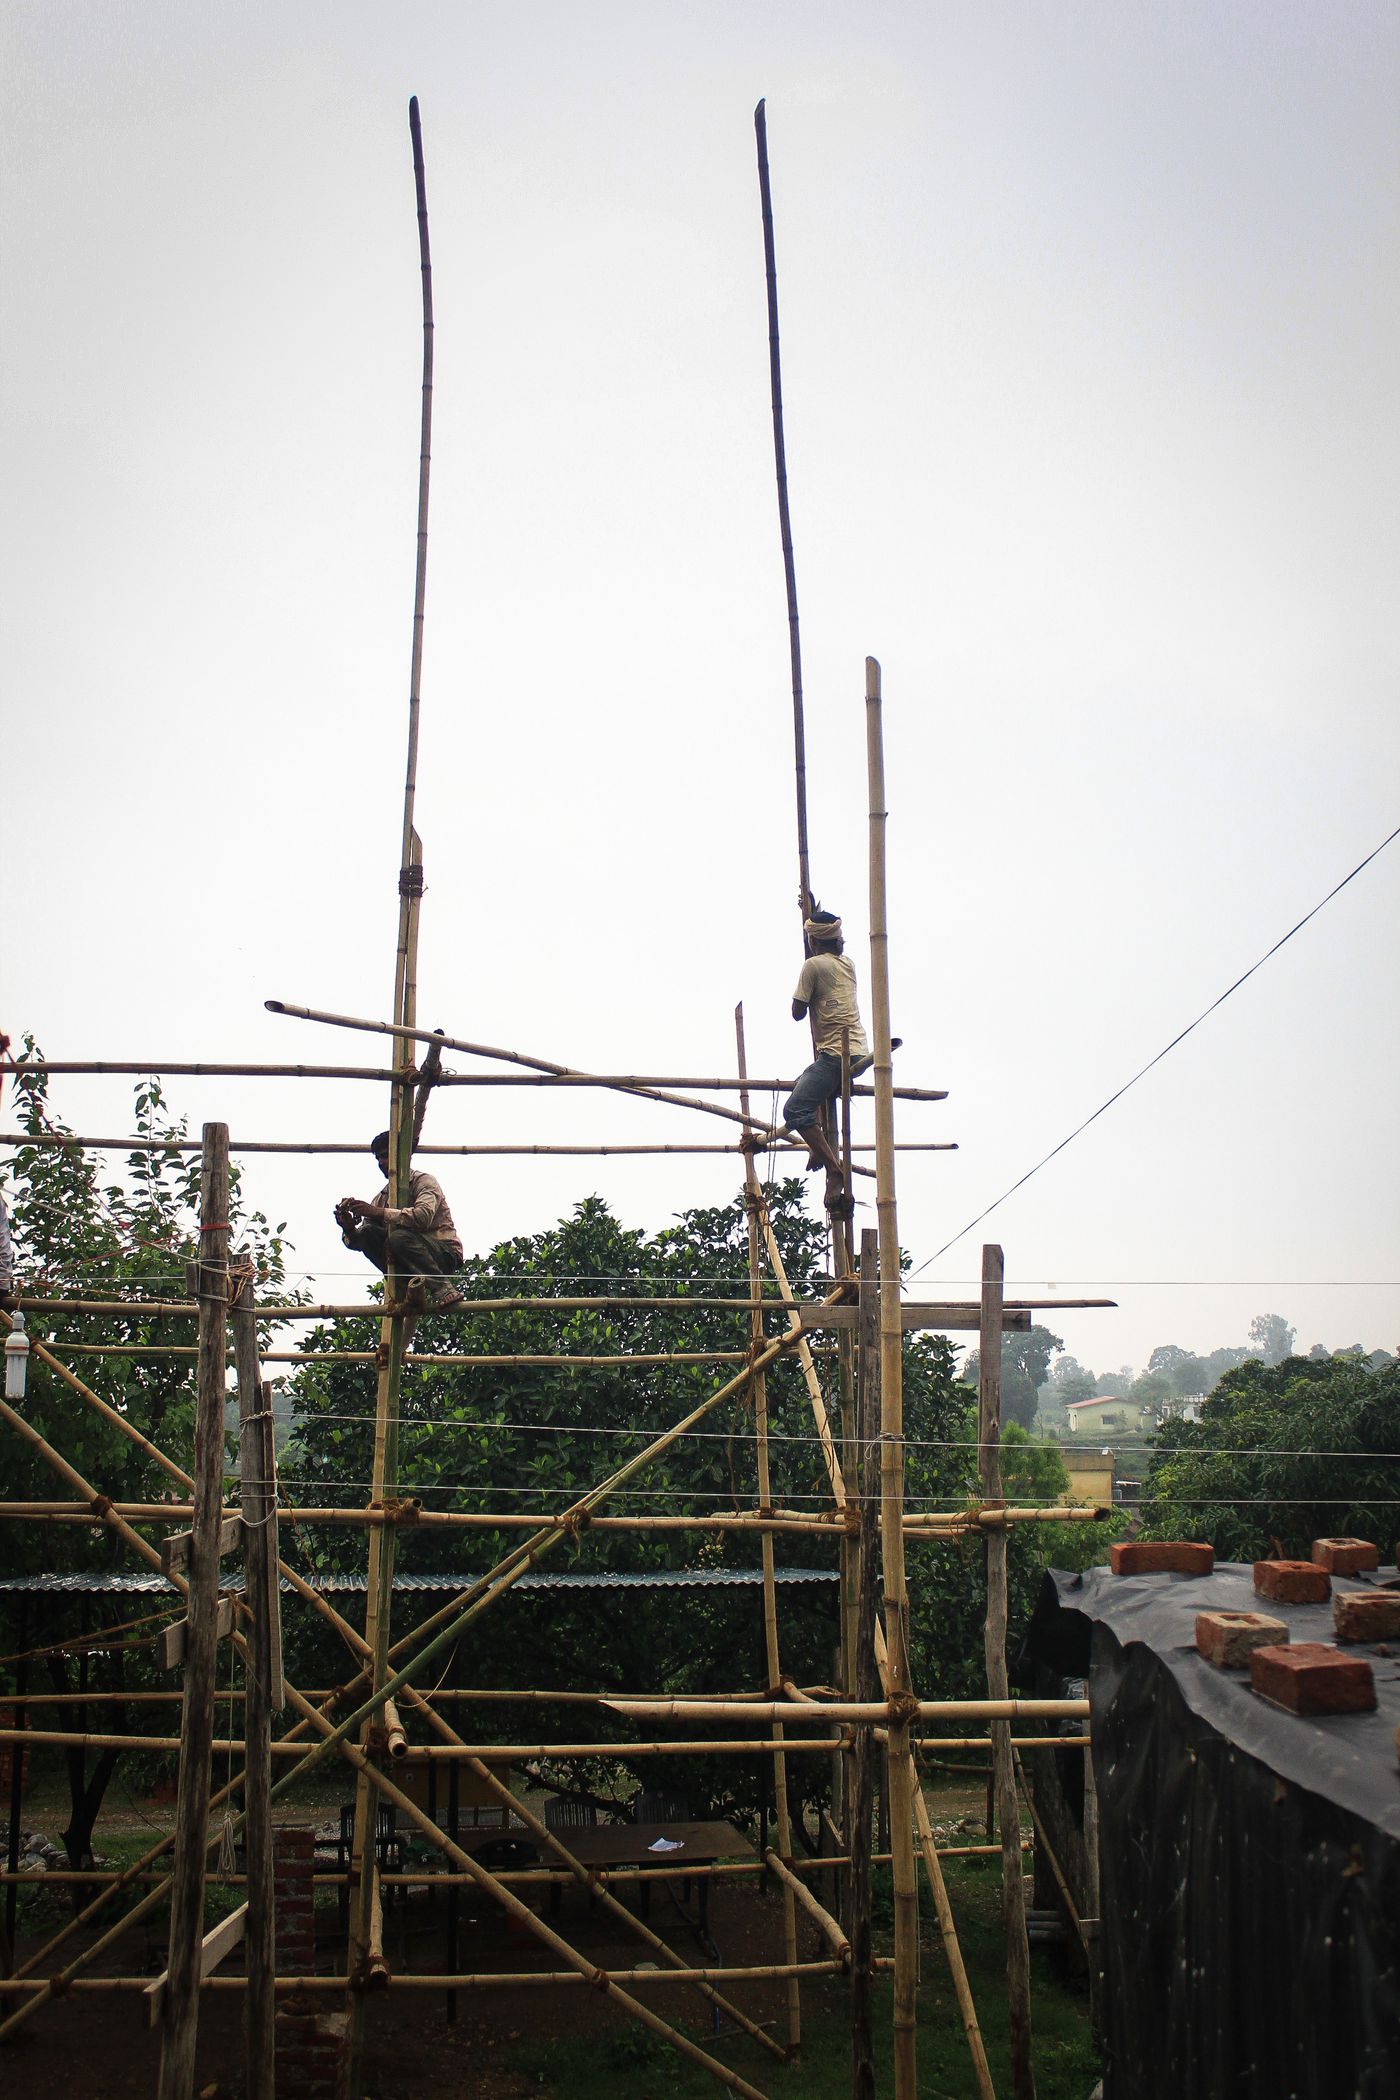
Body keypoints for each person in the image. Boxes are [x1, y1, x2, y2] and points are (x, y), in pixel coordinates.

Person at [781, 908, 873, 1176]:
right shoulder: (848, 964)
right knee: (805, 1082)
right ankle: (817, 1146)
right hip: (857, 1050)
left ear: (813, 941)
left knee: (795, 1109)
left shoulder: (812, 966)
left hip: (835, 1055)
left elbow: (797, 1013)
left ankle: (835, 1169)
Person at [334, 1133, 464, 1311]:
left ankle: (442, 1288)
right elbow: (361, 1241)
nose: (381, 1162)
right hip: (406, 1263)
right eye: (378, 1158)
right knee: (368, 1232)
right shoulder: (381, 1198)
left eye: (385, 1156)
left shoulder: (424, 1181)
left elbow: (423, 1216)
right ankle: (400, 1287)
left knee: (398, 1237)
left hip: (441, 1254)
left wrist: (379, 1212)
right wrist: (349, 1228)